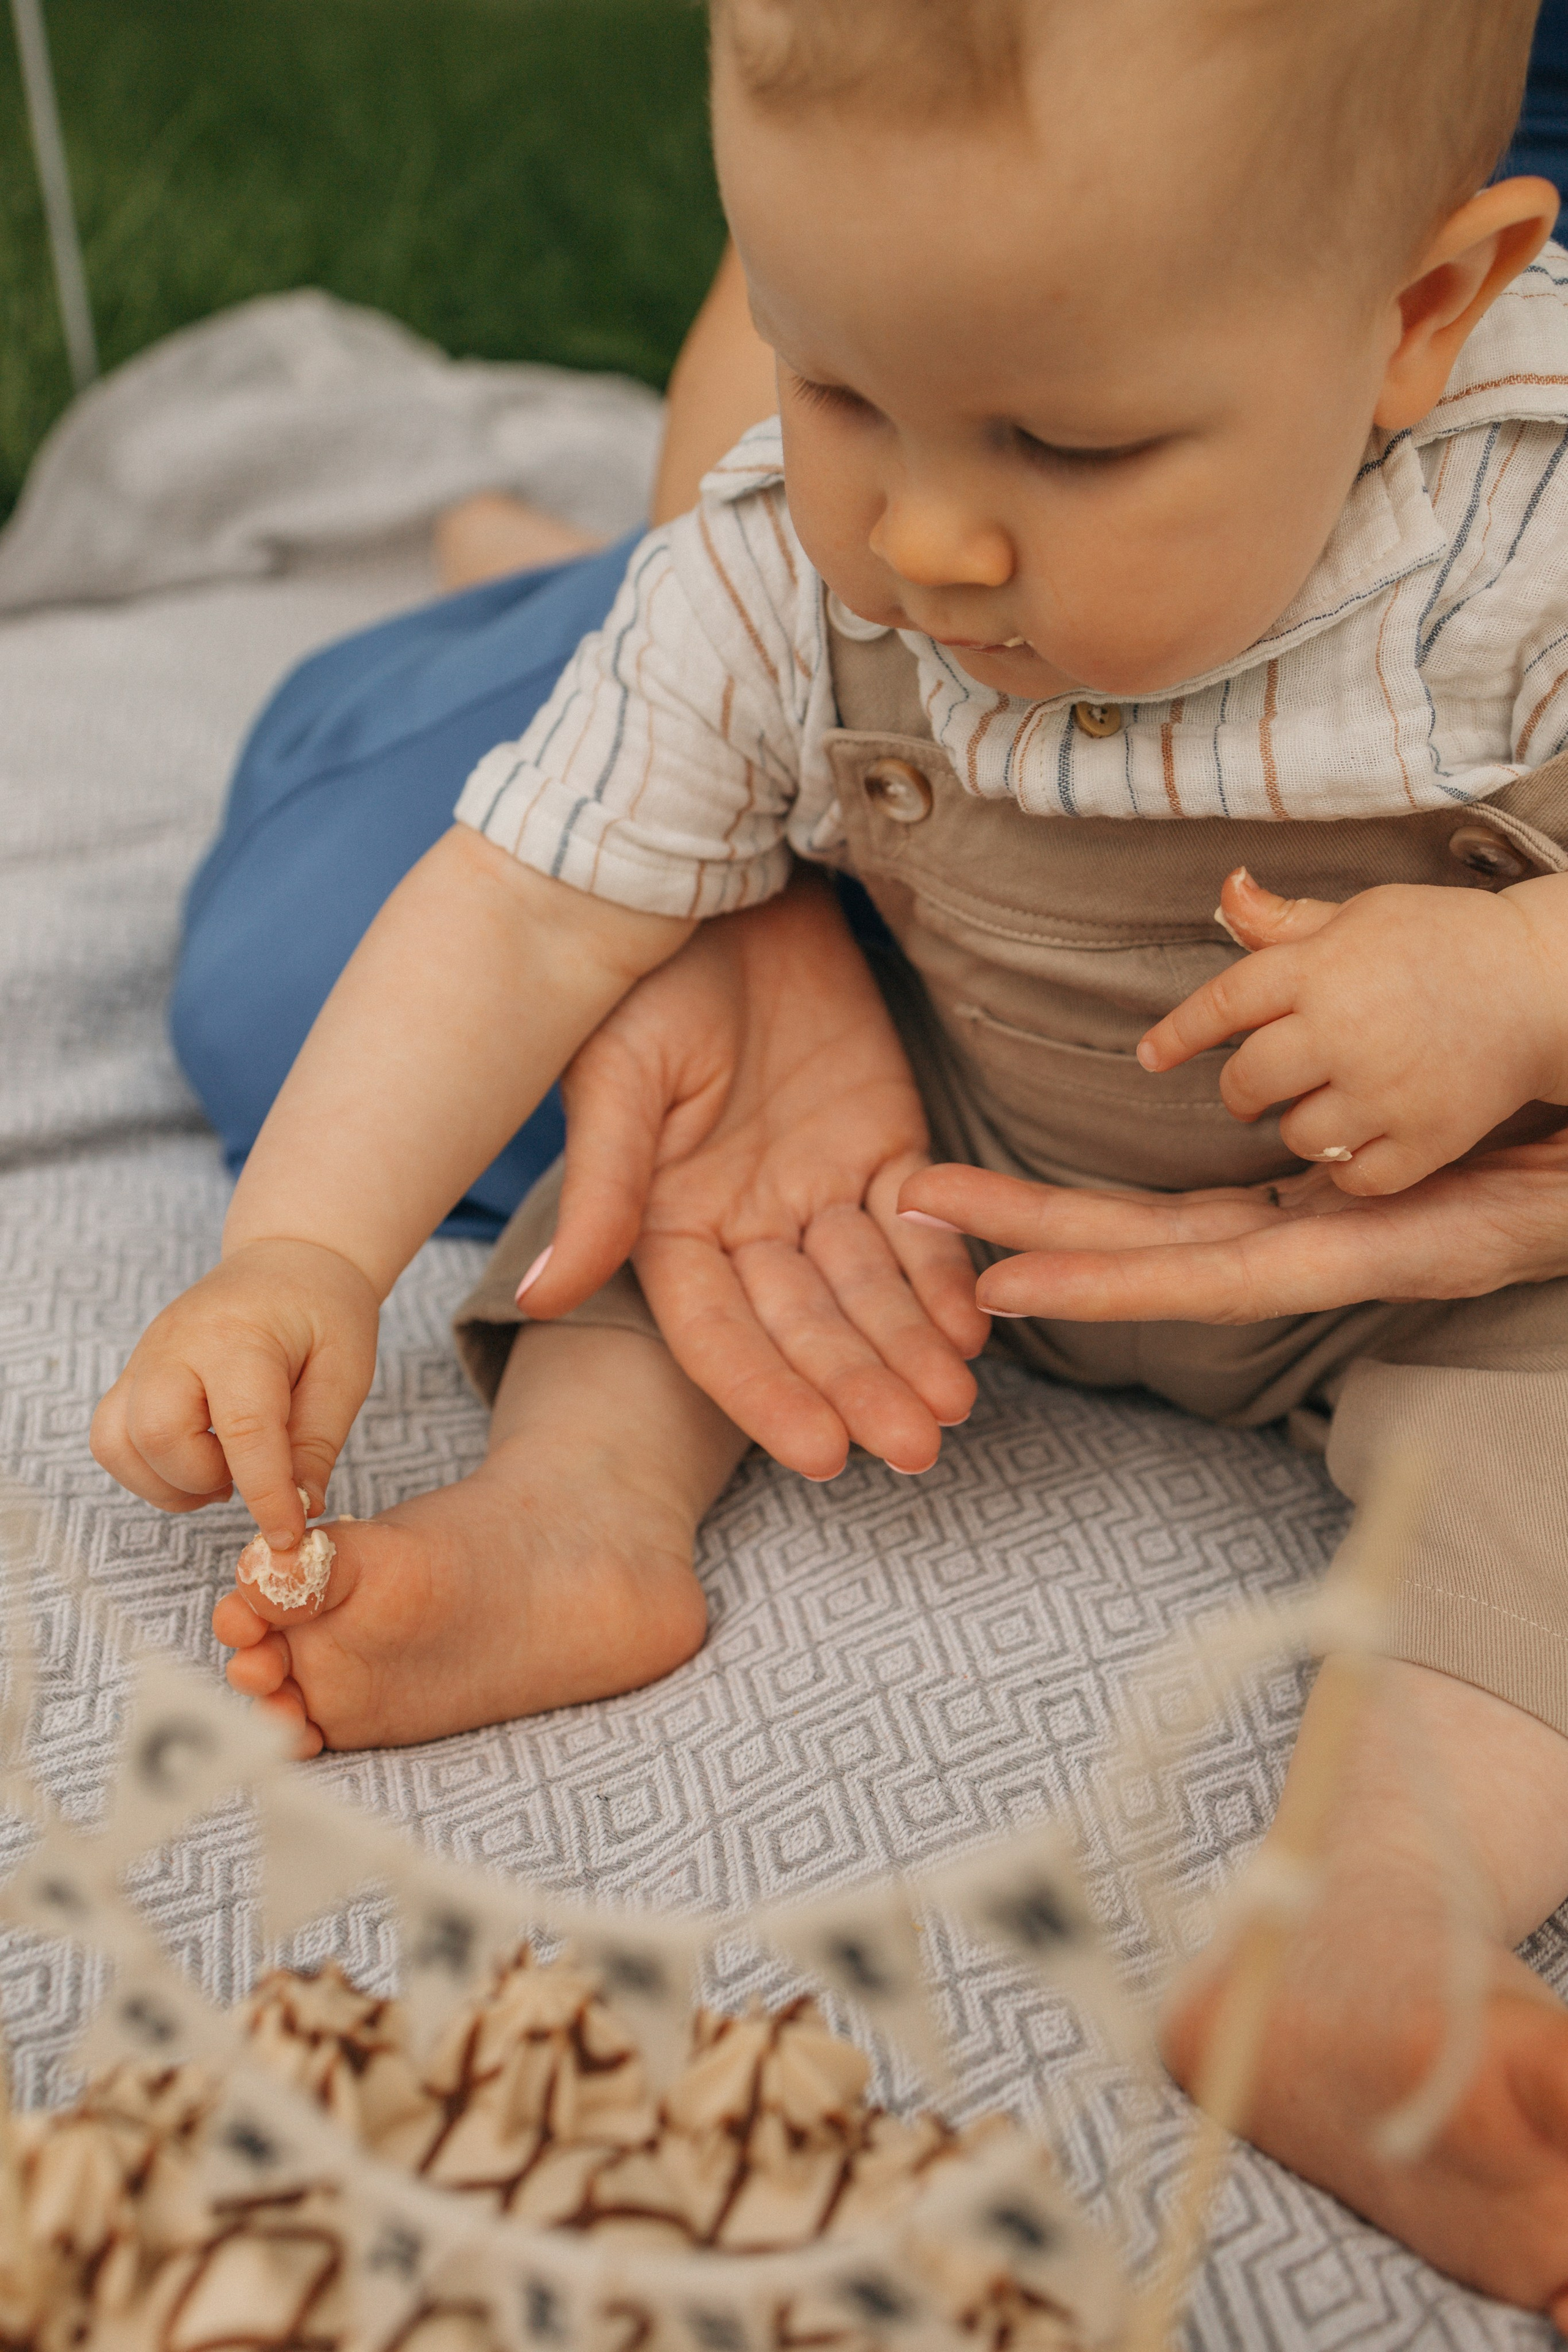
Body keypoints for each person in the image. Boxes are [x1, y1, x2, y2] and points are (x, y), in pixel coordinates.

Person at [92, 0, 1568, 2313]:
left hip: (1443, 1254)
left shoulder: (1533, 514)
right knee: (664, 1149)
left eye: (1072, 441)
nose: (931, 530)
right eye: (844, 380)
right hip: (963, 1151)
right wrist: (301, 1254)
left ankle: (1366, 1925)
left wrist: (1528, 985)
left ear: (1420, 319)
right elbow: (523, 903)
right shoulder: (794, 549)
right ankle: (578, 1527)